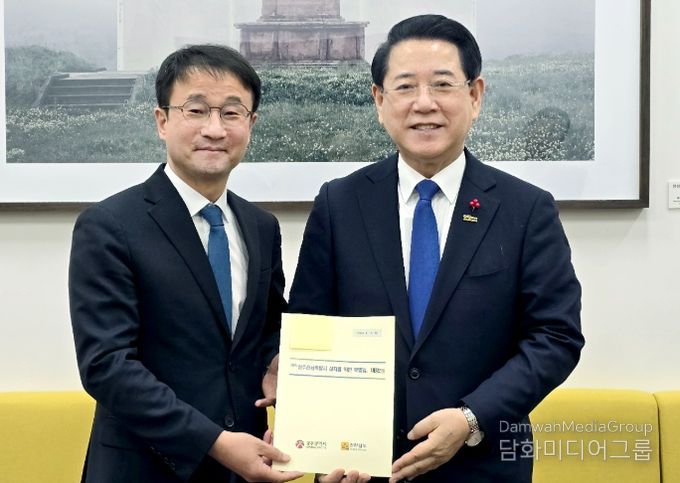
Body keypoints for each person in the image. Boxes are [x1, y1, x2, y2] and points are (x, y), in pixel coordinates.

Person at [288, 15, 584, 483]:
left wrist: (471, 418)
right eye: (405, 87)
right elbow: (312, 328)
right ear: (379, 100)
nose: (424, 104)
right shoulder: (339, 203)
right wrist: (324, 448)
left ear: (475, 95)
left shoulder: (526, 209)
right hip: (363, 467)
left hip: (482, 465)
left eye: (443, 85)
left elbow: (556, 337)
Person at [69, 44, 303, 483]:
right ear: (162, 121)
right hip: (143, 468)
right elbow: (107, 365)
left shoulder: (261, 227)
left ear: (251, 124)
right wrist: (213, 441)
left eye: (231, 113)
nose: (214, 129)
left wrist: (278, 360)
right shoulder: (109, 225)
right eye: (196, 111)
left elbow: (267, 326)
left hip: (247, 466)